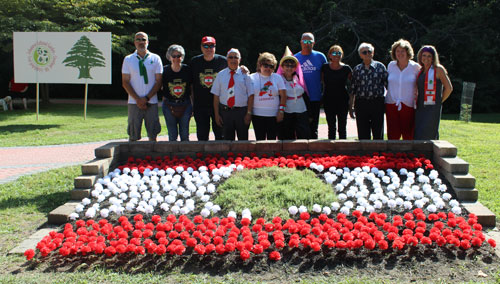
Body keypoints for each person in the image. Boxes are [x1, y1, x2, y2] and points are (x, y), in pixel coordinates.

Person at [121, 31, 162, 142]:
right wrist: (138, 99)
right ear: (134, 42)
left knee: (153, 135)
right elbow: (125, 82)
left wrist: (146, 98)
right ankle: (132, 159)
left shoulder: (156, 58)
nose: (141, 42)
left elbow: (159, 81)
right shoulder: (128, 59)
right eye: (138, 39)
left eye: (143, 39)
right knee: (133, 135)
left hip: (151, 102)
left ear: (148, 42)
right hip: (134, 102)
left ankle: (153, 158)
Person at [211, 48, 254, 141]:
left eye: (236, 57)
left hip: (241, 113)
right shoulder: (220, 75)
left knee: (243, 141)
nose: (233, 60)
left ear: (240, 59)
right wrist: (216, 115)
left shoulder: (245, 75)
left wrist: (249, 113)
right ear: (227, 59)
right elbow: (216, 96)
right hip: (225, 113)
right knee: (227, 142)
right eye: (231, 57)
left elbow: (251, 96)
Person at [190, 36, 226, 141]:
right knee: (202, 135)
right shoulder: (195, 62)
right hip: (200, 105)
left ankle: (221, 157)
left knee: (220, 135)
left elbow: (234, 70)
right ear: (201, 47)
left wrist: (243, 68)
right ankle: (202, 157)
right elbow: (191, 85)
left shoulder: (223, 61)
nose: (208, 48)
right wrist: (192, 103)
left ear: (215, 47)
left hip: (219, 105)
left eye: (211, 46)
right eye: (205, 45)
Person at [414, 45, 453, 140]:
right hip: (420, 107)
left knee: (429, 132)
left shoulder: (438, 69)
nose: (426, 58)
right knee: (419, 132)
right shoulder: (421, 70)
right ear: (420, 56)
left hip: (432, 108)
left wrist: (440, 101)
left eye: (429, 56)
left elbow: (449, 88)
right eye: (424, 55)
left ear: (433, 58)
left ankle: (431, 153)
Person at [350, 42, 388, 140]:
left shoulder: (380, 67)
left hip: (377, 102)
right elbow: (353, 89)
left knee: (378, 132)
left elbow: (388, 86)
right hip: (361, 103)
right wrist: (351, 107)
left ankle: (379, 154)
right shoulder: (357, 69)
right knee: (363, 133)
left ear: (373, 53)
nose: (367, 54)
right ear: (360, 55)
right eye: (364, 52)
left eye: (369, 51)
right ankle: (364, 154)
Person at [386, 39, 421, 140]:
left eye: (402, 51)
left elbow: (420, 84)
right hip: (391, 104)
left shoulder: (415, 67)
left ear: (407, 52)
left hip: (408, 104)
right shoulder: (391, 65)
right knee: (393, 134)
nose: (400, 53)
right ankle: (391, 155)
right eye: (397, 51)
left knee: (408, 134)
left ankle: (407, 155)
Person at [294, 32, 327, 139]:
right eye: (305, 41)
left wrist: (324, 93)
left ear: (313, 43)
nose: (307, 44)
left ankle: (314, 152)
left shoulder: (320, 57)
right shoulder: (295, 58)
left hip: (315, 97)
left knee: (313, 127)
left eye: (309, 41)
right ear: (301, 42)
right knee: (300, 126)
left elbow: (325, 77)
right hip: (299, 98)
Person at [250, 52, 286, 140]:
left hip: (273, 116)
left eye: (271, 66)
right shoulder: (251, 77)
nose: (268, 68)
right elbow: (249, 97)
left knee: (272, 141)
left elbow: (284, 96)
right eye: (266, 65)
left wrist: (281, 111)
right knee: (259, 140)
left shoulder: (277, 77)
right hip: (257, 115)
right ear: (260, 65)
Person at [159, 44, 192, 141]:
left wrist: (193, 104)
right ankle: (173, 156)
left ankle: (185, 155)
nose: (177, 58)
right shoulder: (164, 70)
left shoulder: (187, 70)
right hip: (169, 105)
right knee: (172, 134)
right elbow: (160, 86)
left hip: (185, 104)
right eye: (174, 56)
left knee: (185, 133)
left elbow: (191, 87)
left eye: (179, 56)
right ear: (169, 57)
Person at [276, 46, 310, 140]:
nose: (289, 68)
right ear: (282, 67)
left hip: (301, 109)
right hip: (286, 110)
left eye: (292, 65)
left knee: (303, 133)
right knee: (287, 134)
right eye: (287, 65)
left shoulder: (298, 78)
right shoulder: (278, 79)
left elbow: (305, 93)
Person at [321, 45, 352, 140]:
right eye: (334, 53)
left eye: (339, 53)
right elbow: (322, 82)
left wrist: (351, 102)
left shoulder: (347, 68)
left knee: (342, 126)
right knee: (331, 126)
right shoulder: (325, 67)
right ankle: (331, 150)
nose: (336, 55)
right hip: (328, 99)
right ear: (329, 55)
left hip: (343, 100)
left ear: (341, 55)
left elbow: (353, 85)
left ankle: (343, 147)